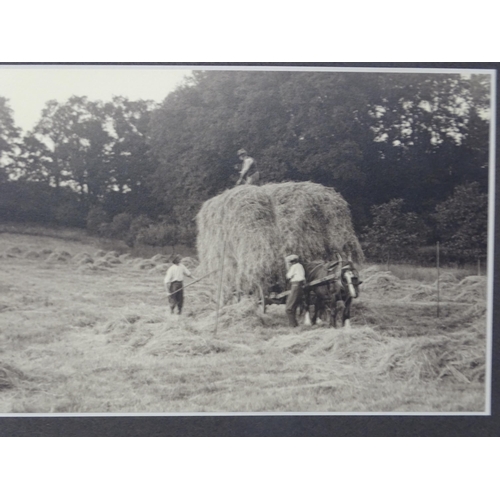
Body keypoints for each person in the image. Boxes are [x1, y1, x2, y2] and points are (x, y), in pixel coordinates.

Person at [285, 254, 306, 327]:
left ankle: (293, 325)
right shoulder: (300, 266)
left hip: (295, 285)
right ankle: (295, 324)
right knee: (293, 306)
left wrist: (288, 267)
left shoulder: (294, 267)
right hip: (300, 285)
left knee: (289, 308)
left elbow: (288, 276)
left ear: (292, 262)